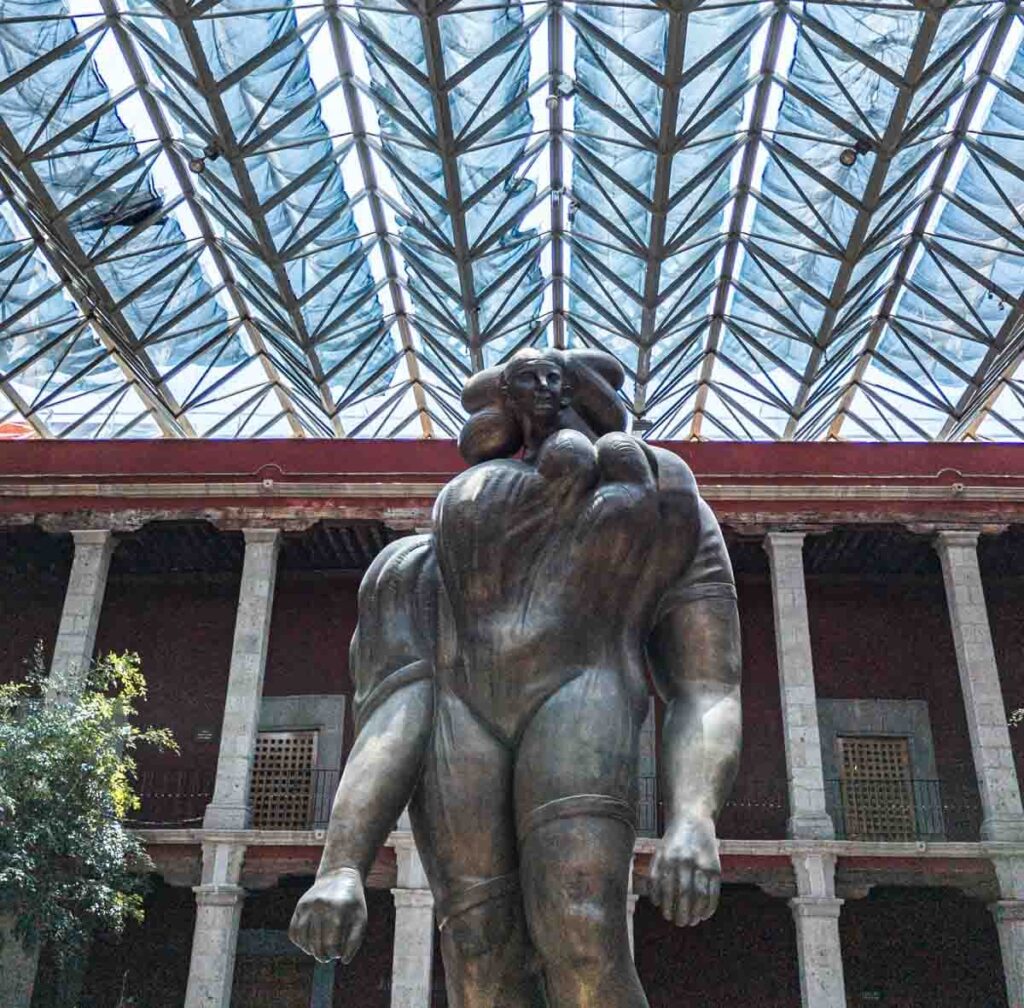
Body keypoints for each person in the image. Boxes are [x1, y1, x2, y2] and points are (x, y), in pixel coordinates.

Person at [289, 348, 742, 1008]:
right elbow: (398, 706)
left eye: (558, 382)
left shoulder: (662, 498)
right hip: (463, 714)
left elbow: (708, 684)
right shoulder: (413, 565)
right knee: (476, 950)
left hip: (585, 692)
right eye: (527, 381)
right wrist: (341, 866)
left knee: (582, 934)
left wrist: (694, 819)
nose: (545, 395)